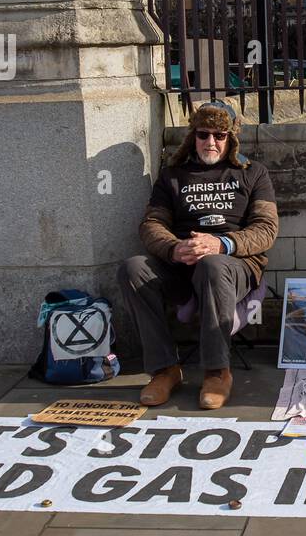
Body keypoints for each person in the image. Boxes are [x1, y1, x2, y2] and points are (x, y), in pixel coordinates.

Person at [118, 101, 279, 409]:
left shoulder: (252, 173)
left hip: (233, 265)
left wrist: (221, 244)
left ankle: (218, 372)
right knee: (133, 268)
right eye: (203, 134)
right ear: (193, 136)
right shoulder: (172, 176)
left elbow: (266, 229)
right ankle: (165, 369)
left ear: (230, 138)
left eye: (219, 135)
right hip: (182, 263)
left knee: (213, 265)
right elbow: (152, 224)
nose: (211, 142)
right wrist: (174, 248)